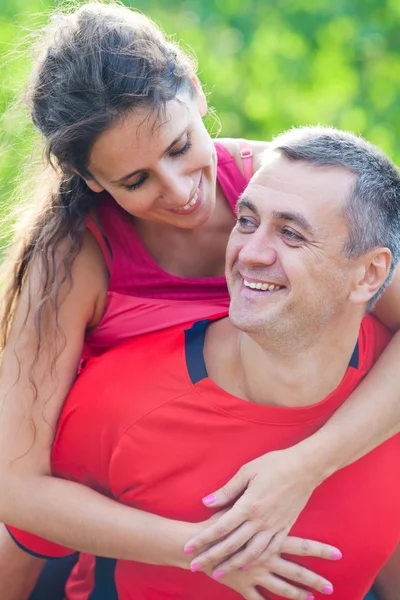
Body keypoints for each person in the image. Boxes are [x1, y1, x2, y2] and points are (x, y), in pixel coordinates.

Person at [1, 0, 400, 592]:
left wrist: (304, 467)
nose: (181, 190)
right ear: (91, 179)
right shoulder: (70, 257)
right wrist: (208, 549)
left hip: (302, 450)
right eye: (134, 181)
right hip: (117, 481)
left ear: (193, 89)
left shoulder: (285, 189)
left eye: (179, 146)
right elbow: (17, 487)